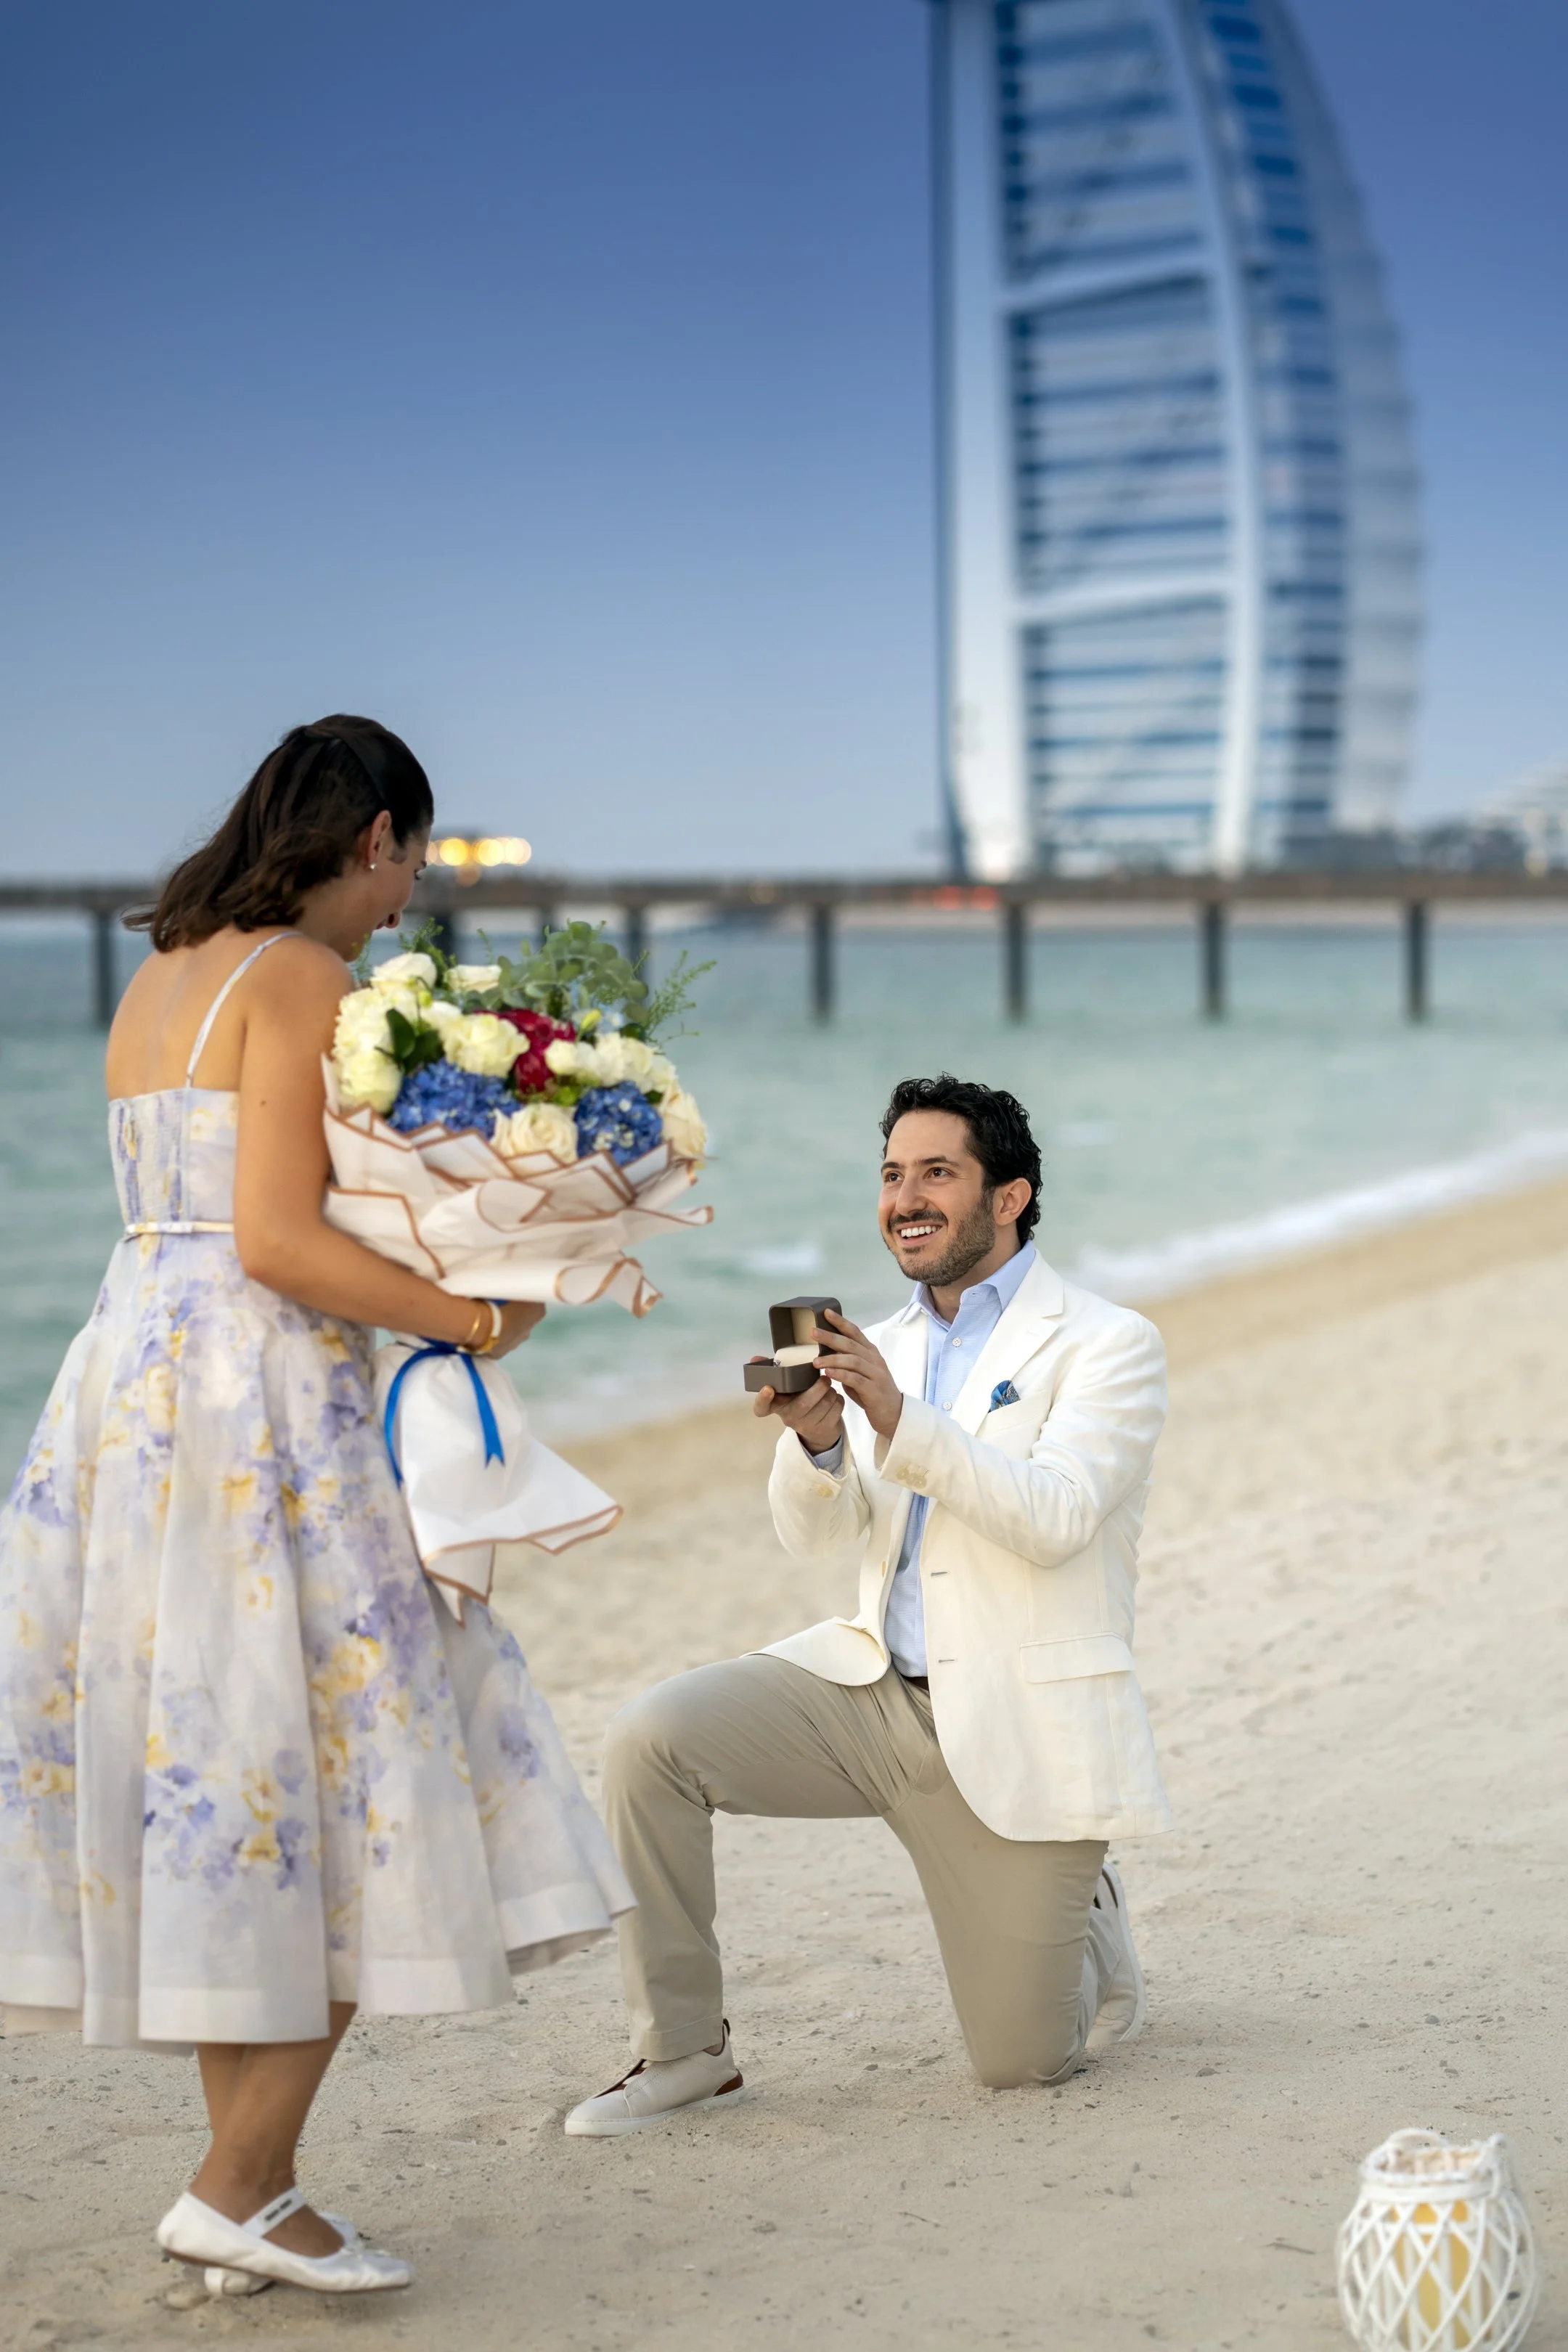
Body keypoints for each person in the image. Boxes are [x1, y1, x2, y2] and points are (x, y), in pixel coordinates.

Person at [0, 718, 632, 2294]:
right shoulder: (300, 982)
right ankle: (231, 2186)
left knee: (240, 1784)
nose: (414, 893)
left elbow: (203, 1217)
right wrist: (476, 1313)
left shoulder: (159, 980)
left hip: (126, 1397)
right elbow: (279, 1241)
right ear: (371, 838)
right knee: (362, 1771)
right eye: (414, 857)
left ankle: (261, 2195)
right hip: (262, 1403)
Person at [565, 1074, 1171, 2136]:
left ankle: (1089, 1909)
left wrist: (896, 1412)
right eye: (893, 1176)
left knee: (1020, 2065)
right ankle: (684, 2053)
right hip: (869, 1697)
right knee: (647, 1743)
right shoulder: (885, 1339)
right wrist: (820, 1438)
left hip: (1022, 1732)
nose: (907, 1198)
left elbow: (1058, 1516)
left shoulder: (1108, 1344)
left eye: (938, 1172)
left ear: (1012, 1195)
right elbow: (816, 1537)